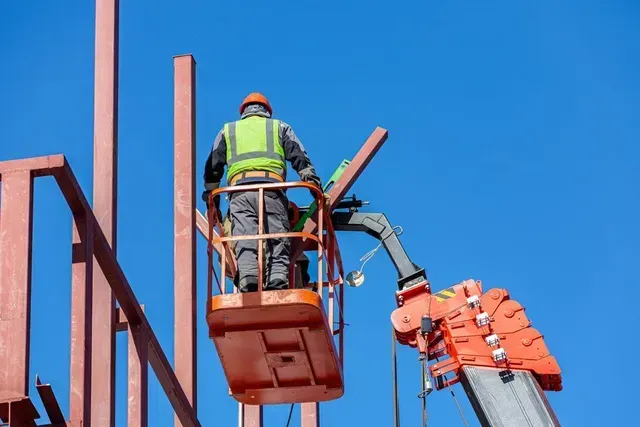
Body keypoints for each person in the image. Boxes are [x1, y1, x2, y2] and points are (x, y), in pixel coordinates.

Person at [202, 92, 322, 293]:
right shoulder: (279, 127)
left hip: (239, 192)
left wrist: (211, 199)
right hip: (271, 190)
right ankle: (277, 280)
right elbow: (299, 157)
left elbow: (213, 167)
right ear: (267, 111)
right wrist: (314, 186)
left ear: (243, 112)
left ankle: (249, 279)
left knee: (245, 236)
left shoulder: (228, 130)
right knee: (277, 235)